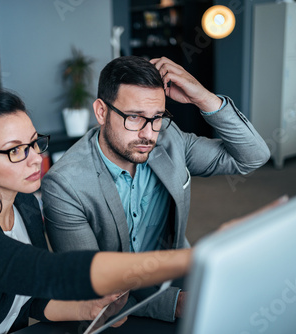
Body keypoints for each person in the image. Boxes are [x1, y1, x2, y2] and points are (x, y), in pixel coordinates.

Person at [0, 89, 191, 334]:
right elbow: (41, 272)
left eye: (33, 143)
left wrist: (88, 308)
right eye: (15, 150)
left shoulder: (25, 206)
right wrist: (185, 260)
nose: (35, 160)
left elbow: (32, 297)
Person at [41, 56, 271, 322]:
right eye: (134, 117)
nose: (148, 134)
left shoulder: (169, 140)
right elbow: (92, 284)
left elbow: (253, 156)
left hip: (176, 271)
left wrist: (203, 97)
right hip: (116, 309)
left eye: (157, 117)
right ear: (101, 111)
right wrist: (174, 304)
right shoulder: (65, 185)